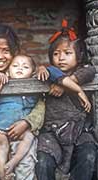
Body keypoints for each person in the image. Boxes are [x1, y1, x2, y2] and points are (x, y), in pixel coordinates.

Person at [0, 24, 45, 180]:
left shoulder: (21, 70)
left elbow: (40, 104)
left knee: (29, 159)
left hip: (22, 128)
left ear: (14, 52)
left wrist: (27, 122)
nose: (0, 57)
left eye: (6, 51)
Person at [35, 19, 97, 180]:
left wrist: (65, 84)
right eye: (56, 54)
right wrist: (43, 69)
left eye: (67, 53)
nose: (61, 58)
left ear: (79, 56)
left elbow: (90, 71)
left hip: (80, 130)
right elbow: (44, 71)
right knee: (43, 161)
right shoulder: (48, 73)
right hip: (51, 132)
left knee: (89, 155)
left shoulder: (84, 72)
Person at [0, 54, 39, 180]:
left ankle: (13, 162)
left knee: (29, 137)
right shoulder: (3, 81)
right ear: (8, 71)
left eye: (25, 67)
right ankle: (3, 173)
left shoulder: (35, 86)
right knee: (2, 146)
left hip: (20, 128)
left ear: (33, 73)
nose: (19, 68)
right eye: (15, 66)